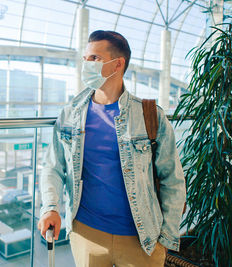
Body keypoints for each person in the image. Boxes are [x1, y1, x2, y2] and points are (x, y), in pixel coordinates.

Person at [37, 30, 186, 267]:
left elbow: (173, 180)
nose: (86, 64)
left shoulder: (149, 116)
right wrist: (50, 208)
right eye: (85, 58)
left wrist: (165, 239)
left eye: (94, 59)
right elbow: (52, 168)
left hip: (141, 239)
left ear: (117, 64)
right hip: (86, 234)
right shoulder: (70, 115)